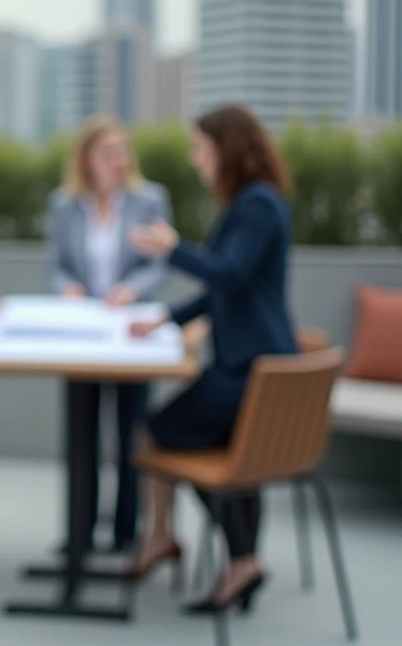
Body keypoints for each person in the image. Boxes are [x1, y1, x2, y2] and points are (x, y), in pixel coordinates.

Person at [126, 104, 297, 614]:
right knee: (226, 454)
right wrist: (167, 319)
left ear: (227, 149)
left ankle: (168, 539)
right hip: (253, 368)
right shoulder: (252, 202)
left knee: (157, 431)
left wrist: (172, 248)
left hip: (251, 373)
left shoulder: (258, 206)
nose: (194, 157)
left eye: (200, 147)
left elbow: (227, 274)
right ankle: (240, 560)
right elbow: (227, 291)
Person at [46, 115, 172, 554]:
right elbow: (57, 265)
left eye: (123, 152)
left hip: (131, 332)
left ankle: (125, 532)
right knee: (83, 432)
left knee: (130, 431)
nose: (119, 161)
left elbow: (159, 263)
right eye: (108, 153)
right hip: (83, 334)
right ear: (87, 160)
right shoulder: (65, 204)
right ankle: (79, 532)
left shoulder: (150, 200)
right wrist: (69, 288)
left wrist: (130, 289)